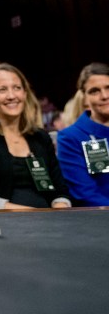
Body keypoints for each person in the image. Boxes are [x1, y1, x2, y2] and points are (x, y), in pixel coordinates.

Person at [0, 63, 72, 209]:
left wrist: (60, 207)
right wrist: (25, 212)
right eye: (2, 90)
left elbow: (60, 190)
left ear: (25, 93)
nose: (11, 96)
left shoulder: (40, 137)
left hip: (48, 222)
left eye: (17, 88)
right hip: (3, 222)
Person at [56, 62, 109, 206]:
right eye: (94, 91)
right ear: (84, 97)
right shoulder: (70, 137)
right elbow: (85, 194)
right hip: (99, 220)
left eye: (108, 88)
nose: (104, 96)